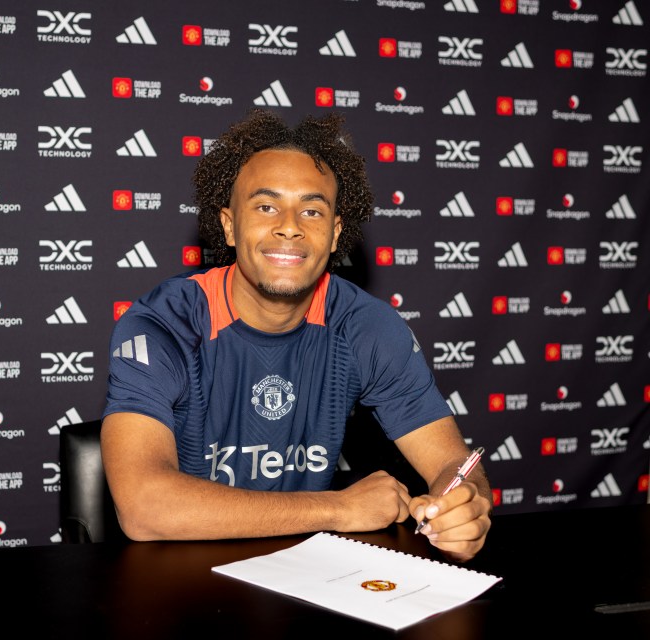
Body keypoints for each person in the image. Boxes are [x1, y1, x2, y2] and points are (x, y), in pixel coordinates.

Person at [101, 109, 491, 562]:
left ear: (334, 234)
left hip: (312, 577)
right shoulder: (165, 323)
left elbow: (452, 464)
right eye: (266, 206)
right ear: (229, 224)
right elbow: (144, 508)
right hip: (184, 578)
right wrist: (338, 509)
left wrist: (464, 504)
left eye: (311, 210)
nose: (290, 226)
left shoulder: (367, 326)